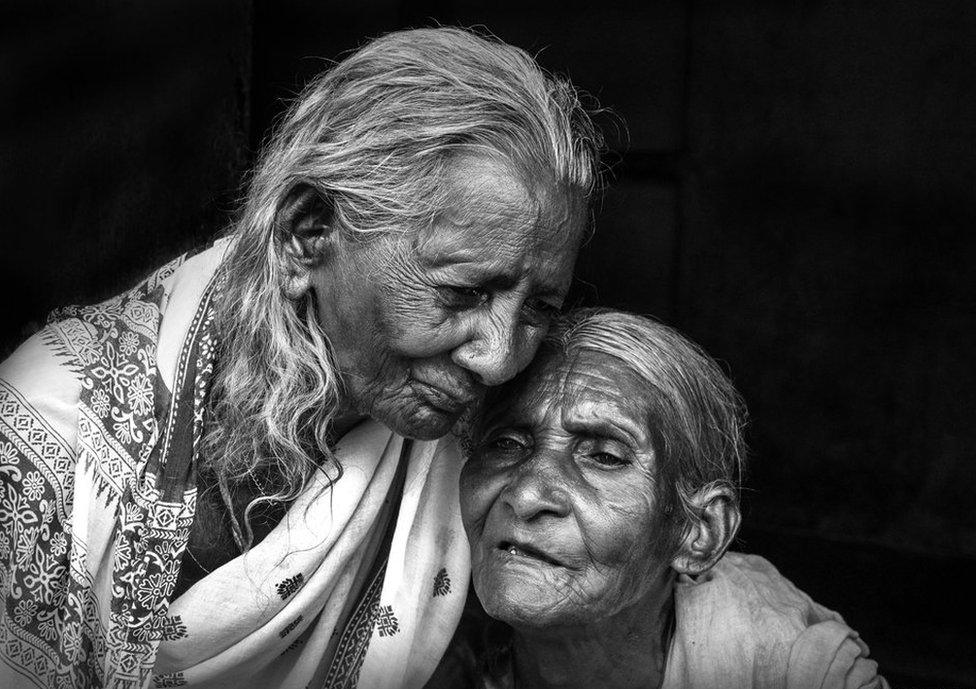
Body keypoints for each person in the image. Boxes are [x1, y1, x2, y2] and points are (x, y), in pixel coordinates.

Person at [0, 28, 602, 689]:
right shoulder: (46, 433)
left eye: (540, 309)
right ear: (306, 233)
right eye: (461, 292)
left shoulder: (491, 445)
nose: (499, 359)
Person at [451, 309, 888, 689]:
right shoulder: (419, 637)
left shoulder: (794, 666)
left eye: (604, 456)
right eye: (506, 444)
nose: (525, 495)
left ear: (699, 532)